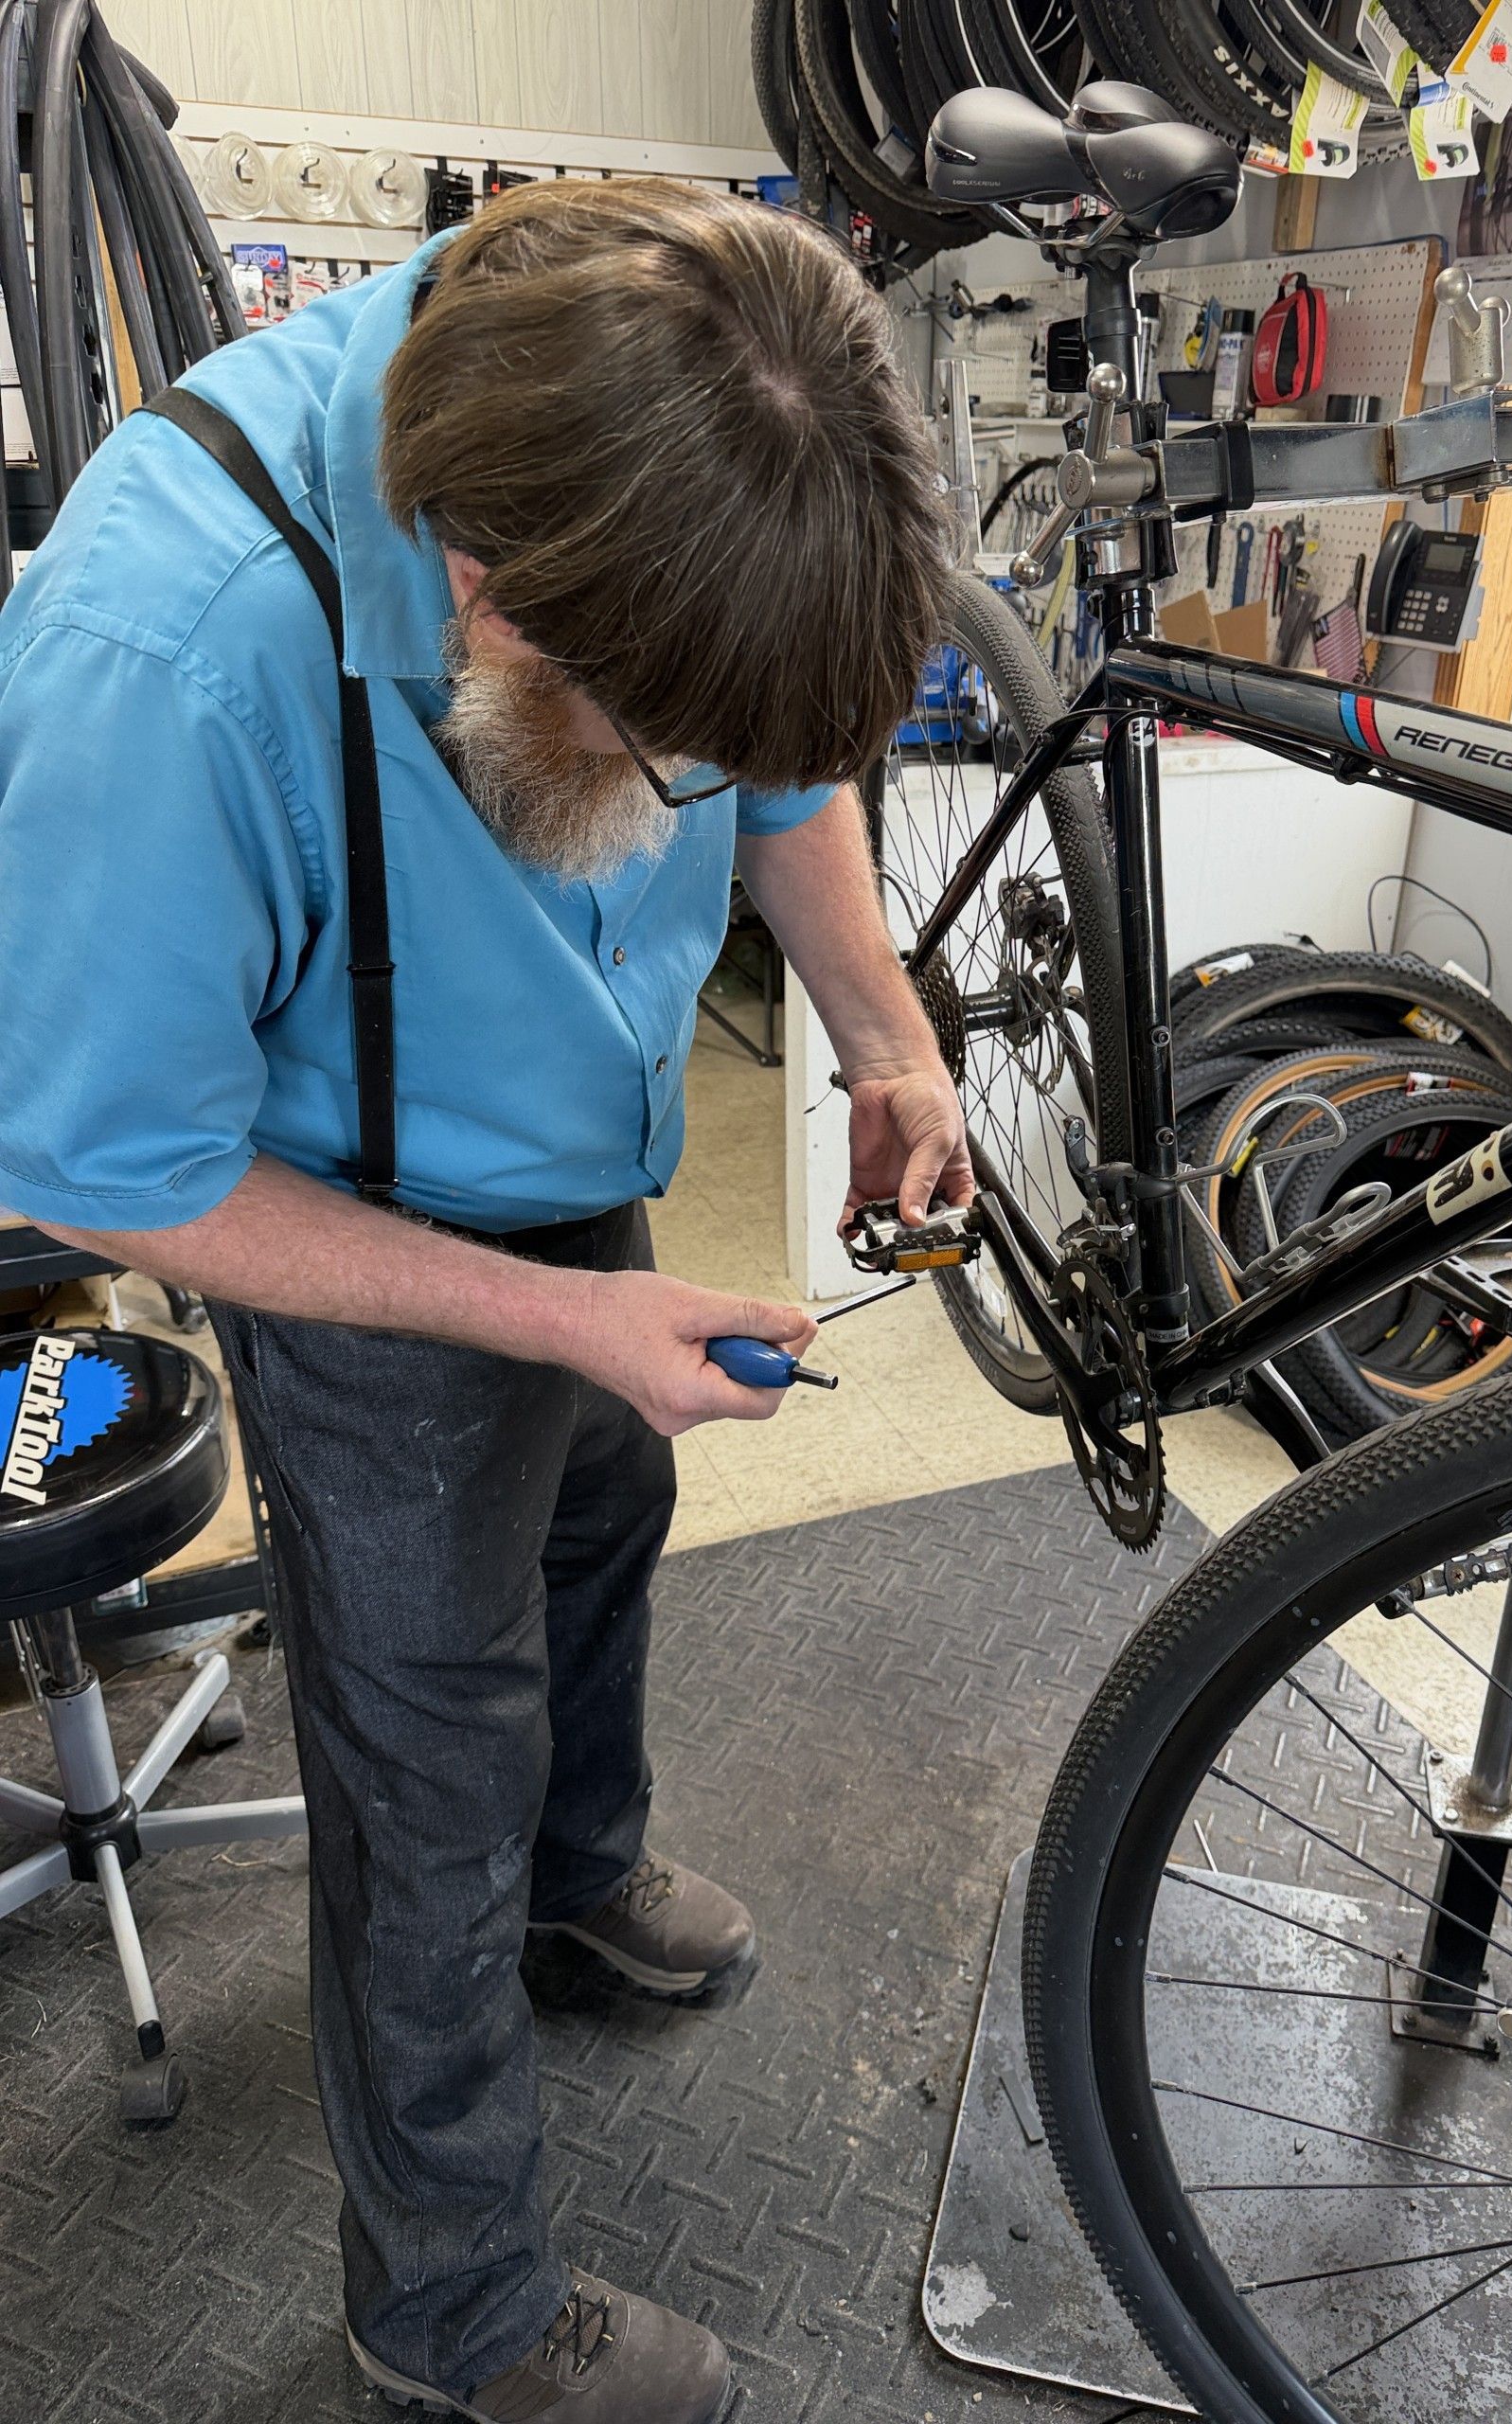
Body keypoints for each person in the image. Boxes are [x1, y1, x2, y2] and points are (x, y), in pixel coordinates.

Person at [0, 179, 971, 2424]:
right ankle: (443, 2315)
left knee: (602, 1520)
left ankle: (581, 1879)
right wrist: (546, 1321)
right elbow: (101, 1163)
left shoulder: (679, 402)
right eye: (659, 744)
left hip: (565, 1135)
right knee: (425, 1734)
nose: (698, 791)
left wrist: (890, 1034)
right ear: (487, 601)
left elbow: (783, 756)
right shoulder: (168, 643)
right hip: (326, 1205)